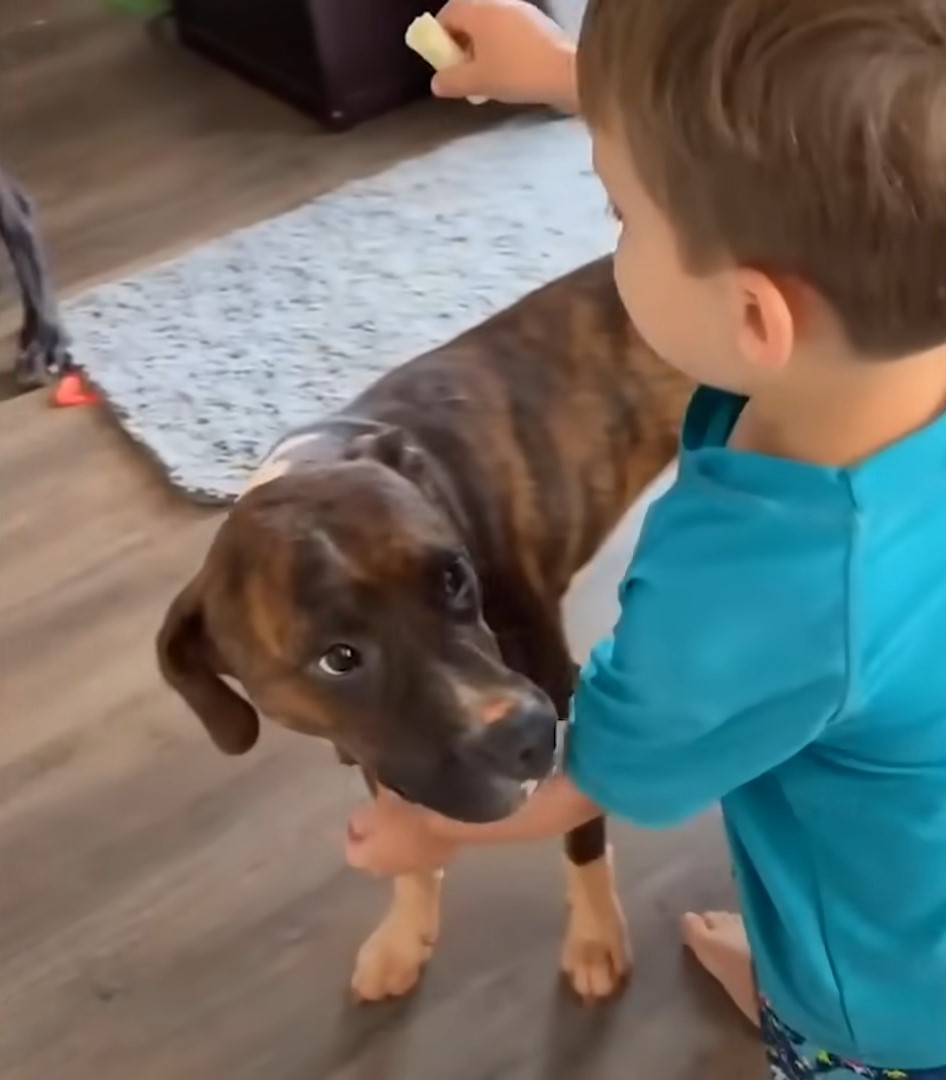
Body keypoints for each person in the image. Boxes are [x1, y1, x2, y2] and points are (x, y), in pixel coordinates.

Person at [346, 0, 946, 1075]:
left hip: (900, 1001)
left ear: (756, 319)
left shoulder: (753, 589)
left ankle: (797, 1004)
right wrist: (568, 75)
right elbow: (846, 160)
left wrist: (428, 834)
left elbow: (591, 778)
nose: (612, 231)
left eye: (618, 212)